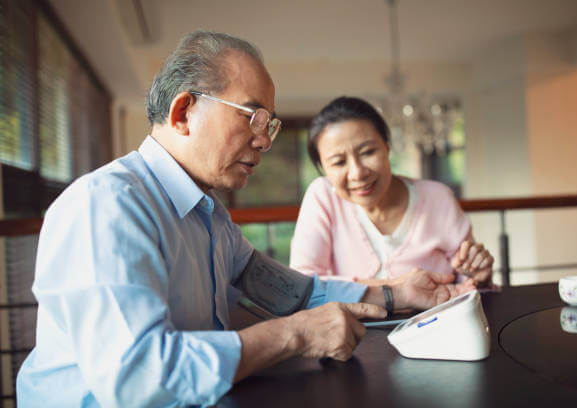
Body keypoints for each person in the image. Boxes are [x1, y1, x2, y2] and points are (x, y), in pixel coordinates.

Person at [16, 32, 474, 407]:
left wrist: (397, 292)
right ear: (183, 112)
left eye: (270, 124)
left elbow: (292, 293)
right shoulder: (107, 205)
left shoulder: (211, 219)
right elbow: (140, 379)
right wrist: (294, 335)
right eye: (254, 117)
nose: (264, 141)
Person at [291, 96, 494, 287]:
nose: (357, 173)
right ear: (324, 169)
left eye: (368, 152)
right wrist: (396, 289)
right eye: (338, 162)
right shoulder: (323, 197)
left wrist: (478, 278)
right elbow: (304, 285)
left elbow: (467, 283)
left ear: (387, 147)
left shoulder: (437, 197)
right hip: (357, 325)